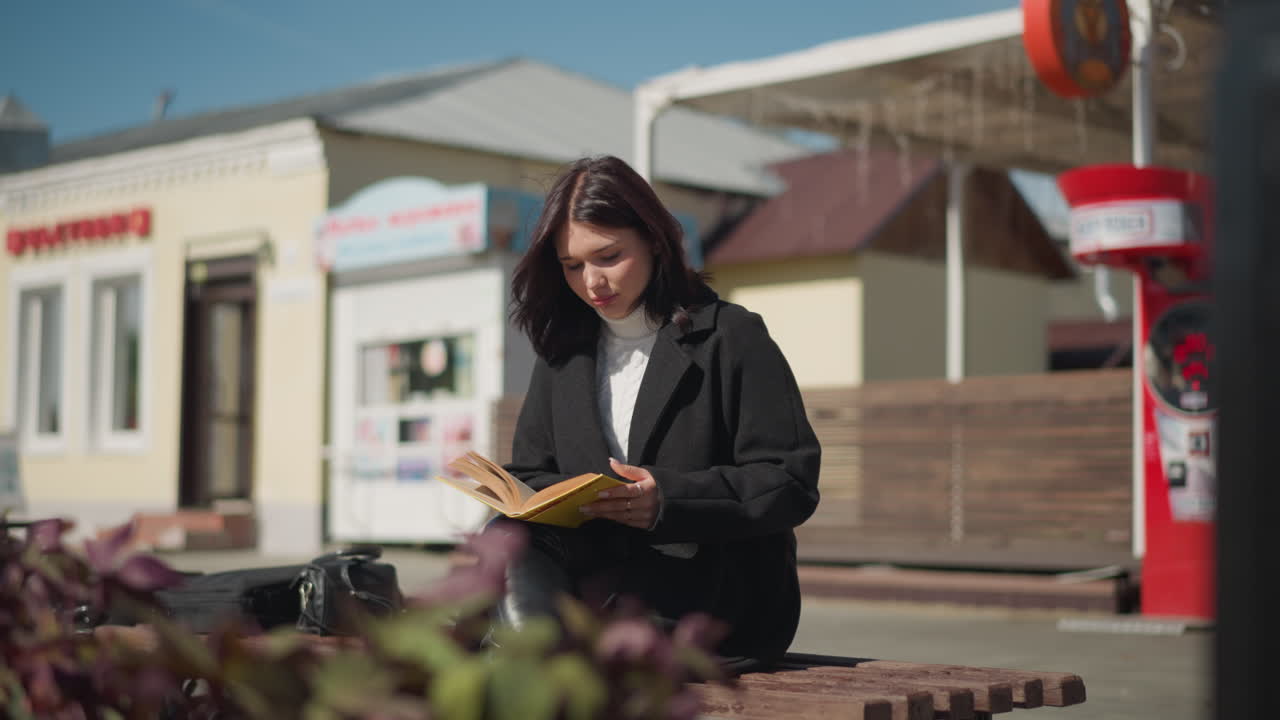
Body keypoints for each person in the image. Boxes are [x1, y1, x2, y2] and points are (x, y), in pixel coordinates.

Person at [495, 154, 821, 669]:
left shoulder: (731, 336)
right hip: (599, 586)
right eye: (572, 265)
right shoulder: (564, 353)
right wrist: (542, 498)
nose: (591, 282)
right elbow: (534, 471)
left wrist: (668, 500)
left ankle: (535, 659)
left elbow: (790, 481)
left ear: (653, 239)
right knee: (504, 530)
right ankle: (537, 656)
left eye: (608, 256)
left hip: (712, 597)